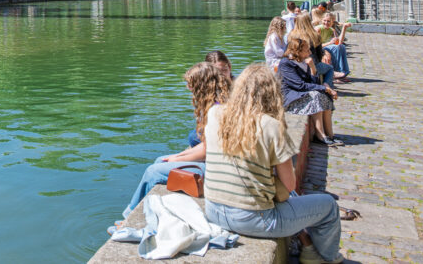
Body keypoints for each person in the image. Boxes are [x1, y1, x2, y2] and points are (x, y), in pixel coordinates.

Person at [204, 64, 343, 264]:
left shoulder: (214, 114)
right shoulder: (271, 126)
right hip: (253, 219)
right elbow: (289, 184)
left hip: (213, 210)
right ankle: (326, 258)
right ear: (273, 93)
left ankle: (307, 245)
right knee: (329, 206)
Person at [123, 62, 231, 216]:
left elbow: (207, 151)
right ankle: (142, 210)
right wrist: (179, 155)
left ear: (201, 85)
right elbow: (206, 145)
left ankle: (129, 215)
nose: (188, 87)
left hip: (217, 170)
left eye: (190, 83)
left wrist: (178, 159)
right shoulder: (216, 105)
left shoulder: (217, 111)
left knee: (153, 172)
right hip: (214, 163)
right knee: (160, 160)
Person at [279, 36, 340, 145]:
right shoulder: (286, 63)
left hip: (301, 94)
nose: (310, 52)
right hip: (290, 98)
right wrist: (324, 88)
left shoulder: (303, 61)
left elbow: (313, 84)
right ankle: (320, 135)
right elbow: (300, 85)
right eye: (307, 50)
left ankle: (330, 134)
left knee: (325, 95)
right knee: (317, 96)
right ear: (298, 51)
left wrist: (312, 68)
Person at [317, 14, 351, 80]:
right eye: (324, 20)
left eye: (328, 21)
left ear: (332, 22)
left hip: (328, 47)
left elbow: (339, 42)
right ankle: (339, 72)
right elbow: (316, 45)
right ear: (321, 20)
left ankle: (344, 72)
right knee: (336, 48)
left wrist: (344, 28)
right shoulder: (318, 29)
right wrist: (330, 43)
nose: (326, 23)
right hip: (320, 49)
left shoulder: (331, 30)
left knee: (342, 46)